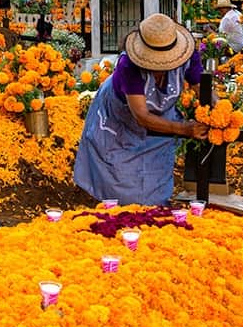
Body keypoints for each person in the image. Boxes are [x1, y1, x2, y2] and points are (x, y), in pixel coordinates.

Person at [73, 13, 208, 206]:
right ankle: (118, 217)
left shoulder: (186, 55)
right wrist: (184, 129)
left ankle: (155, 208)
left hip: (160, 120)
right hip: (121, 122)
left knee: (155, 177)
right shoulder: (129, 66)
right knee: (120, 179)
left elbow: (200, 85)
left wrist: (216, 108)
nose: (161, 65)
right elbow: (142, 117)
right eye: (155, 60)